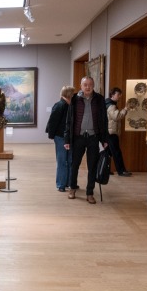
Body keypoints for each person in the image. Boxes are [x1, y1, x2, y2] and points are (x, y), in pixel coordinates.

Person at [63, 76, 108, 204]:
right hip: (78, 137)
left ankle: (90, 193)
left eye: (90, 84)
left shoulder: (99, 99)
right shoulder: (74, 99)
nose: (88, 87)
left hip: (94, 137)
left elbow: (104, 120)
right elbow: (69, 120)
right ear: (81, 86)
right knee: (74, 165)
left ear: (93, 85)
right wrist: (67, 140)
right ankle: (72, 188)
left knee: (92, 166)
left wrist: (104, 139)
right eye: (85, 85)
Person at [45, 85, 75, 191]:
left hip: (69, 137)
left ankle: (69, 183)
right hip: (61, 137)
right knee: (62, 161)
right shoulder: (60, 105)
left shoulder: (69, 105)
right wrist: (52, 135)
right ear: (69, 94)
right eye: (73, 93)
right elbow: (53, 122)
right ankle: (61, 184)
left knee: (70, 161)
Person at [105, 87, 132, 176]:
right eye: (118, 94)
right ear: (112, 95)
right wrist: (125, 109)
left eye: (120, 94)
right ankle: (121, 171)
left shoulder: (108, 103)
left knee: (108, 152)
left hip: (108, 132)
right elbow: (116, 117)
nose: (119, 96)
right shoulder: (111, 105)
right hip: (111, 132)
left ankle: (105, 169)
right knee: (116, 152)